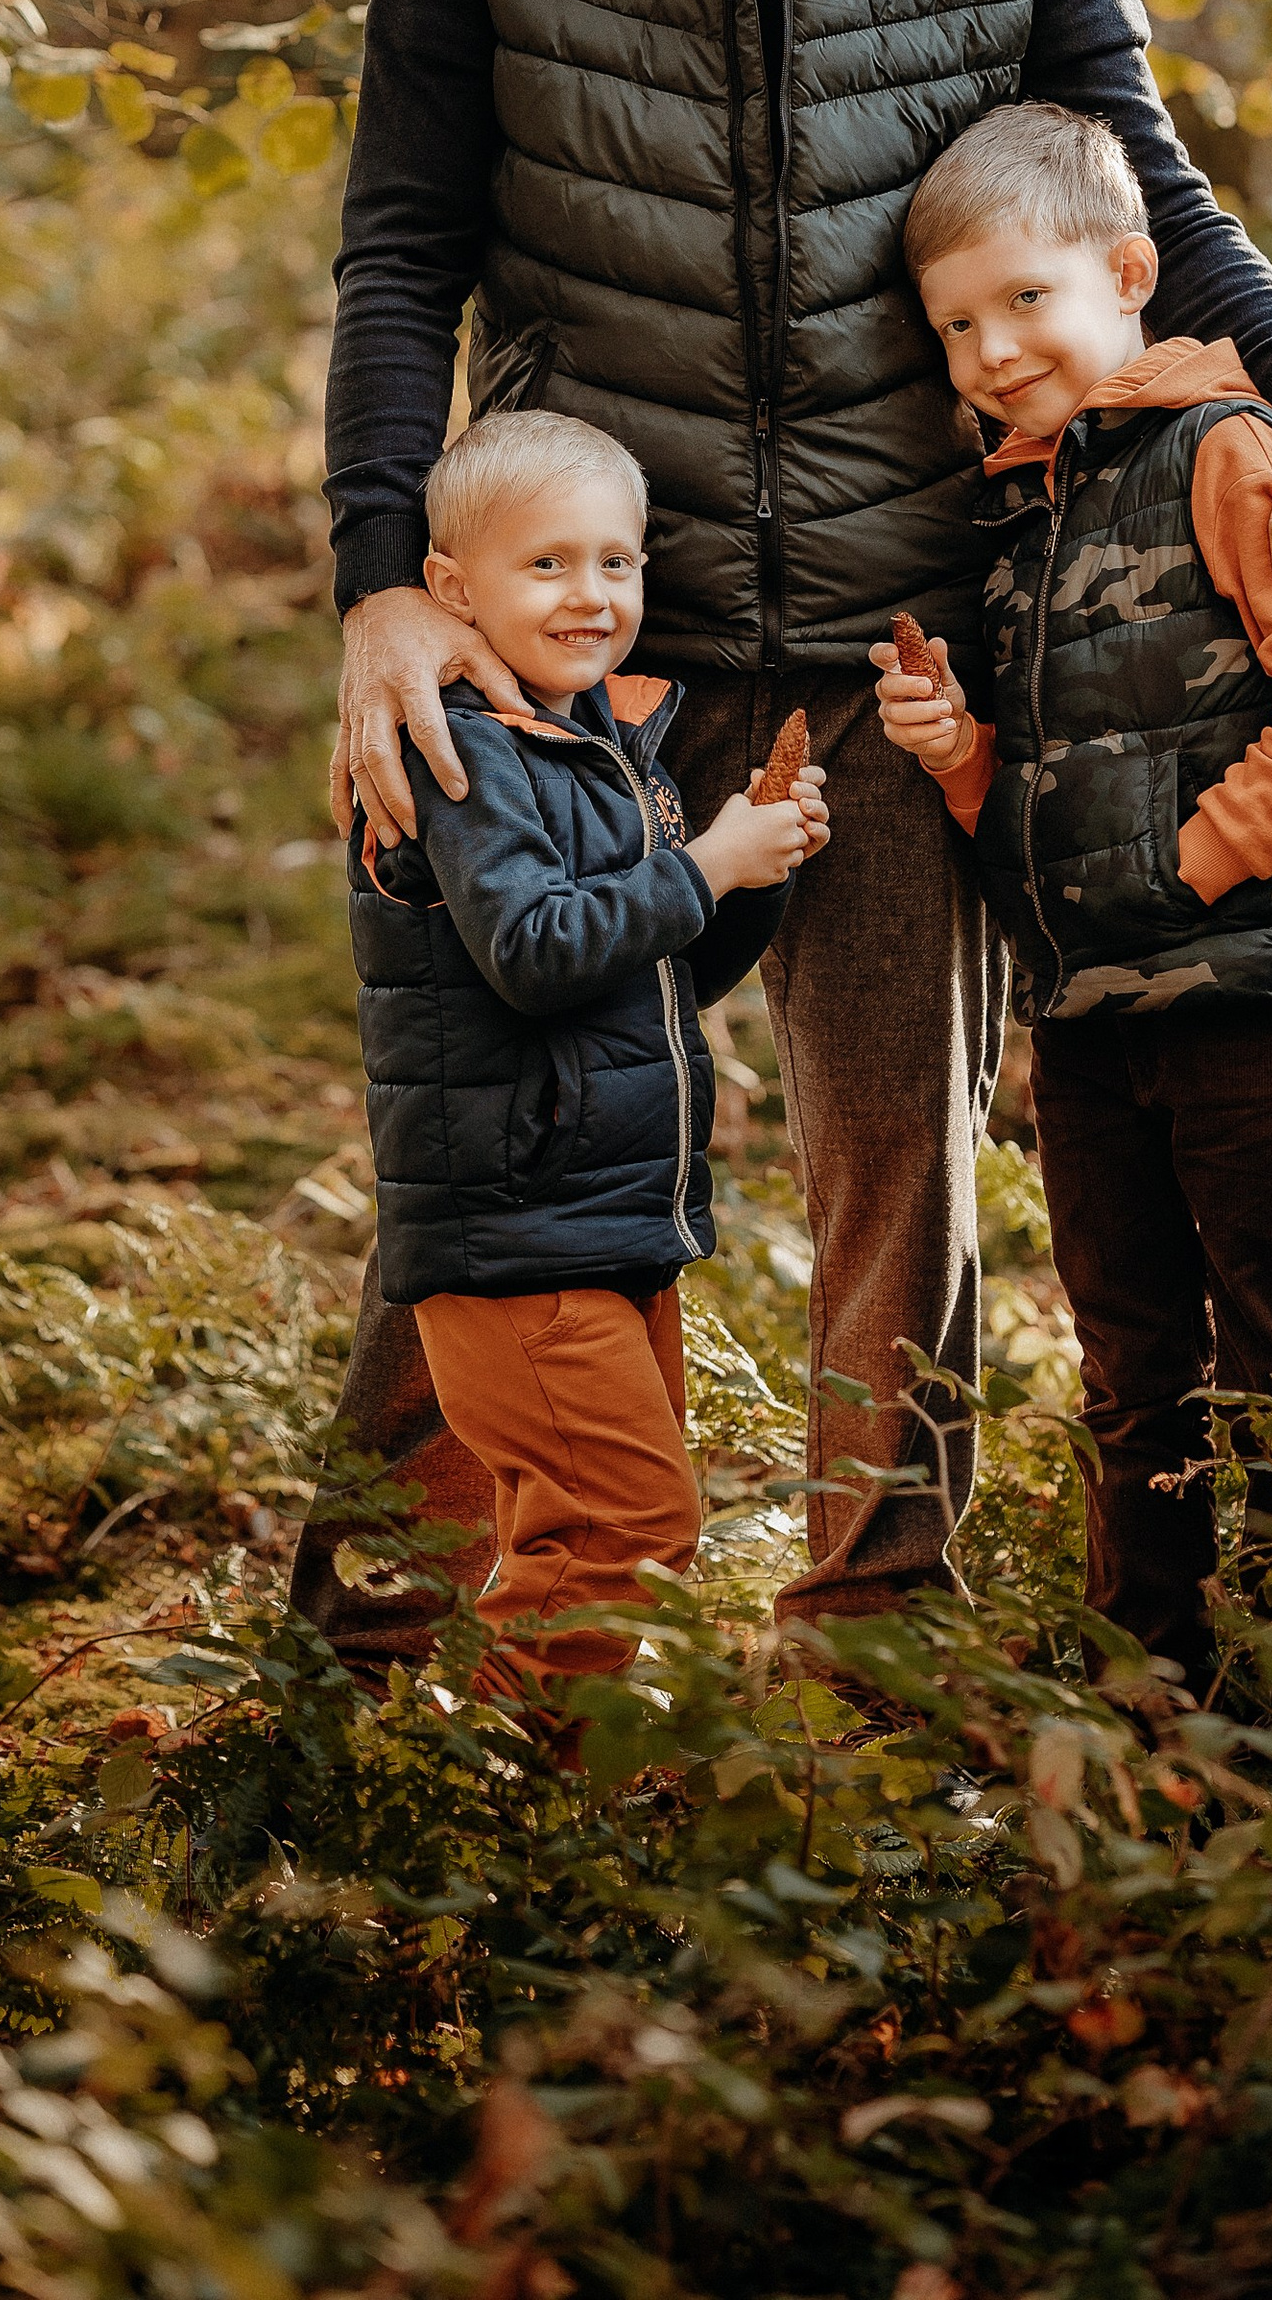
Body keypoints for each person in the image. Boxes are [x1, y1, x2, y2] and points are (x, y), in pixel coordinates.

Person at [300, 0, 1272, 1664]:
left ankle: (869, 1678)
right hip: (582, 640)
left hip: (902, 645)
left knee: (888, 1187)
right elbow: (401, 248)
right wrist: (380, 588)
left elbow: (1138, 185)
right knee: (501, 1153)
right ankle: (348, 1669)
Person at [873, 100, 1272, 1699]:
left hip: (1252, 995)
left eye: (1026, 300)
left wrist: (1196, 861)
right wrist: (963, 755)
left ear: (1128, 272)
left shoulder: (1226, 449)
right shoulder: (1020, 510)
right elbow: (1046, 785)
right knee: (1134, 1373)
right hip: (1092, 1023)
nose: (990, 349)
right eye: (958, 325)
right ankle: (1148, 1698)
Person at [349, 406, 826, 1687]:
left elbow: (657, 980)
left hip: (604, 1220)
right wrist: (700, 862)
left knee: (593, 1538)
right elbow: (536, 953)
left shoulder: (595, 751)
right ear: (451, 588)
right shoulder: (464, 748)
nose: (590, 595)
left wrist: (754, 872)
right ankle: (504, 1811)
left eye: (615, 564)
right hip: (519, 1231)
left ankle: (555, 1806)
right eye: (547, 564)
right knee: (625, 1530)